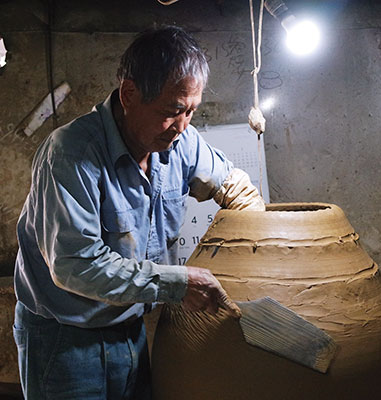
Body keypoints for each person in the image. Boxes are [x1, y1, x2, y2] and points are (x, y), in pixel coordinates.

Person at [13, 25, 265, 399]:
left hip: (131, 330)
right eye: (172, 111)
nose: (181, 127)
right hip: (66, 339)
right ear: (129, 94)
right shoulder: (70, 153)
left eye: (191, 112)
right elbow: (75, 266)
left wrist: (264, 242)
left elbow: (234, 186)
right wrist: (178, 283)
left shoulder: (181, 143)